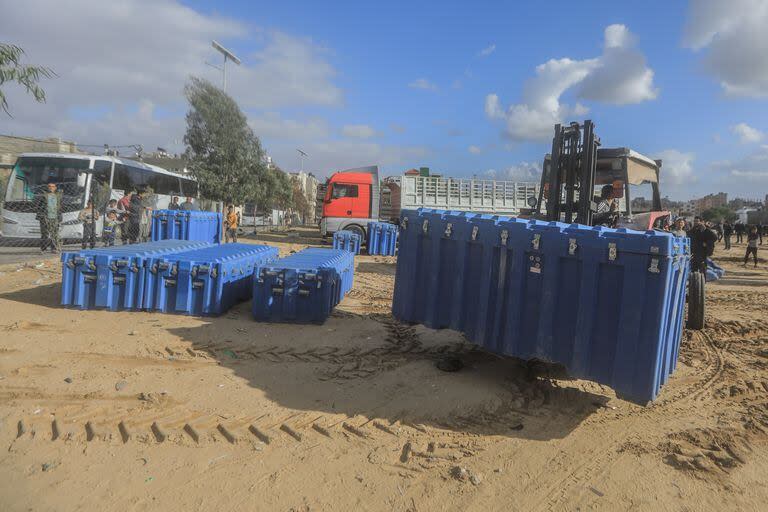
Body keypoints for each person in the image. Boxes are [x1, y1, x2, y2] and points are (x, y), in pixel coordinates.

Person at [35, 181, 62, 253]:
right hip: (44, 217)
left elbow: (60, 207)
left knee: (55, 233)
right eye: (49, 186)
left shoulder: (58, 196)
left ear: (55, 188)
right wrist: (40, 215)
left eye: (52, 186)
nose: (51, 188)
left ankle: (54, 248)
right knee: (44, 234)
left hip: (54, 217)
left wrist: (60, 217)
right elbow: (38, 206)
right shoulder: (43, 195)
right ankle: (43, 249)